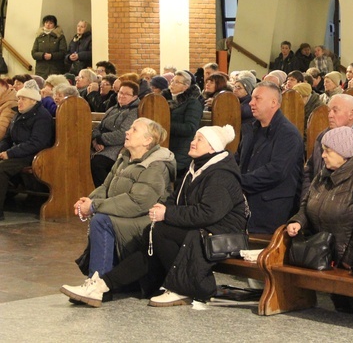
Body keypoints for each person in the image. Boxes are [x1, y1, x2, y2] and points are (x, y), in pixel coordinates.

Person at [62, 125, 247, 308]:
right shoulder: (196, 169)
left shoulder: (221, 175)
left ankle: (183, 288)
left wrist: (166, 213)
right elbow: (176, 200)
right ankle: (101, 285)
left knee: (160, 231)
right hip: (201, 228)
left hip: (221, 234)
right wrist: (164, 209)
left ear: (213, 147)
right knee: (152, 237)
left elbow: (209, 213)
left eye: (200, 139)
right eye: (194, 137)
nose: (193, 142)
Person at [60, 118, 175, 303]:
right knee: (101, 216)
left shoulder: (156, 165)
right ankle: (99, 282)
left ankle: (97, 285)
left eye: (134, 129)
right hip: (129, 214)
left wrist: (95, 207)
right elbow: (106, 187)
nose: (127, 132)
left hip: (146, 219)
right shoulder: (125, 157)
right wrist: (89, 200)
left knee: (102, 220)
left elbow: (138, 202)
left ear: (147, 140)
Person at [288, 126, 353, 312]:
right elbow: (306, 205)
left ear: (343, 153)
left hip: (348, 261)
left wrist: (349, 260)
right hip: (324, 254)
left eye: (328, 151)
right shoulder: (322, 175)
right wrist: (298, 221)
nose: (323, 155)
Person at [239, 81, 304, 233]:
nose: (251, 103)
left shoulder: (288, 134)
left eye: (257, 98)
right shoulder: (252, 129)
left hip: (272, 211)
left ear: (273, 102)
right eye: (252, 98)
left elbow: (276, 171)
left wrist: (239, 181)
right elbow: (240, 159)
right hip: (248, 205)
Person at [0, 80, 54, 219]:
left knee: (1, 169)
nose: (19, 101)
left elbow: (37, 143)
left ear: (33, 101)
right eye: (18, 98)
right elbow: (7, 138)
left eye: (23, 98)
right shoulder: (18, 114)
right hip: (19, 151)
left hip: (33, 155)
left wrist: (10, 153)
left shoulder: (42, 117)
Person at [301, 94, 353, 200]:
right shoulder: (323, 136)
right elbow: (309, 170)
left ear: (351, 114)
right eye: (329, 111)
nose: (330, 115)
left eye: (335, 111)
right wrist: (306, 199)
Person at [90, 80, 140, 187]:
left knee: (97, 163)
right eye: (120, 93)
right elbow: (99, 127)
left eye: (127, 94)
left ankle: (107, 191)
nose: (122, 96)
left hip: (118, 147)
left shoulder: (133, 112)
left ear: (135, 97)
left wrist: (101, 139)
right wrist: (95, 141)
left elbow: (123, 134)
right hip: (100, 144)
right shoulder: (113, 109)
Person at [167, 71, 203, 177]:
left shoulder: (192, 103)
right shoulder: (168, 101)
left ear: (186, 86)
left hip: (182, 151)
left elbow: (190, 128)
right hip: (169, 147)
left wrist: (166, 125)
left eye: (177, 82)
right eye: (172, 81)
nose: (172, 84)